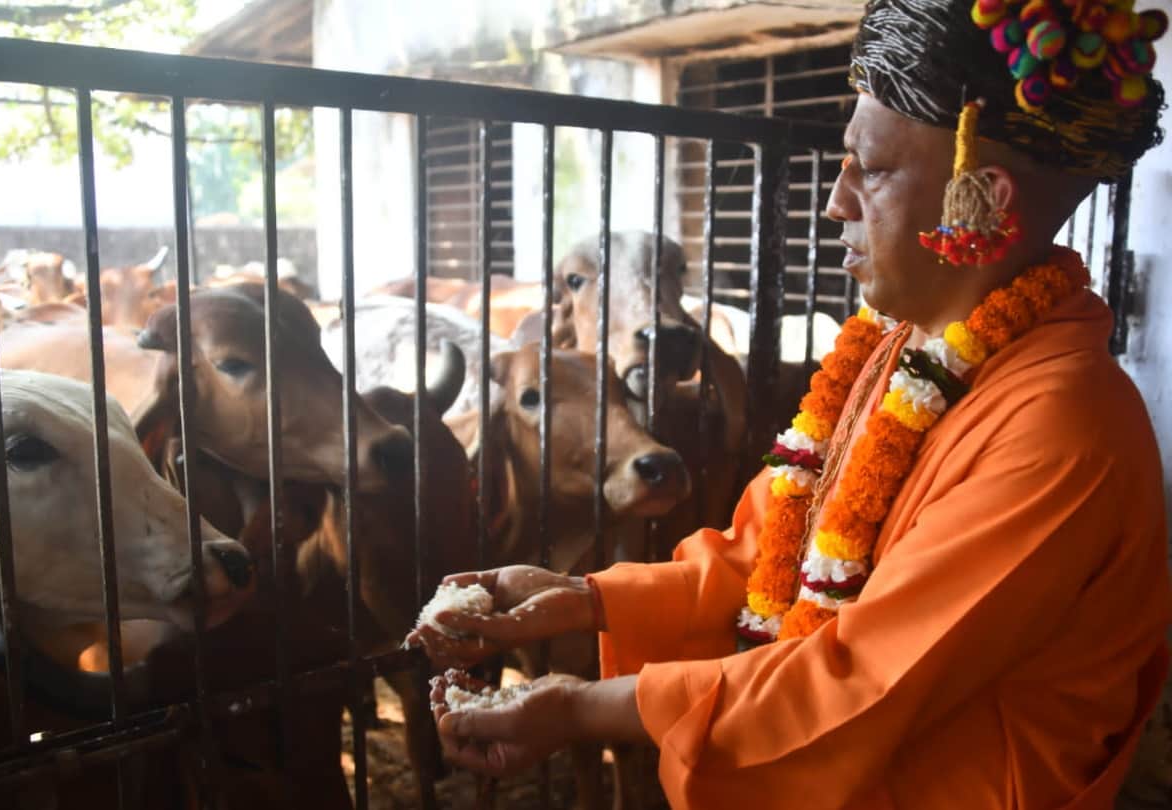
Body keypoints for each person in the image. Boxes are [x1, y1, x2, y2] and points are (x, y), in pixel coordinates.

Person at [406, 0, 1172, 805]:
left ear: (978, 198)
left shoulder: (1061, 427)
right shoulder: (894, 347)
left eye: (869, 170)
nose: (837, 202)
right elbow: (760, 552)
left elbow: (862, 678)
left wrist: (577, 709)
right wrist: (581, 599)